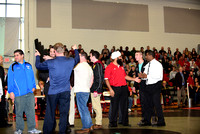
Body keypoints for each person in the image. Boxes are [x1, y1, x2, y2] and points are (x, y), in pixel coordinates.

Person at [35, 43, 79, 134]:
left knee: (50, 113)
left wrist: (37, 56)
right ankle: (62, 131)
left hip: (53, 92)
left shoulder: (51, 62)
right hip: (65, 92)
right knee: (64, 113)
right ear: (63, 51)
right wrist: (75, 49)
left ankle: (48, 131)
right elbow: (77, 59)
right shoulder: (70, 60)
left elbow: (38, 66)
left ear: (55, 52)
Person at [8, 50, 41, 134]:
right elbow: (10, 80)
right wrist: (11, 91)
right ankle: (19, 129)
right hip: (18, 94)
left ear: (22, 55)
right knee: (19, 113)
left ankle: (32, 128)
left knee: (31, 112)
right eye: (15, 55)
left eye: (17, 55)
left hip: (29, 93)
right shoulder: (12, 66)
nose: (16, 57)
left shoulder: (28, 65)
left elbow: (32, 77)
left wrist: (34, 86)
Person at [104, 51, 140, 127]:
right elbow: (106, 79)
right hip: (115, 88)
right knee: (114, 106)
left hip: (123, 88)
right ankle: (113, 122)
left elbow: (125, 76)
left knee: (124, 106)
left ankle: (124, 122)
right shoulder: (109, 67)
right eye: (120, 57)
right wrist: (110, 89)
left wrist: (134, 79)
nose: (121, 58)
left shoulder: (121, 66)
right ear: (116, 58)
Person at [138, 50, 166, 127]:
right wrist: (141, 76)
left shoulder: (158, 64)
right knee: (148, 104)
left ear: (150, 55)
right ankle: (147, 120)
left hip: (156, 85)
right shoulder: (148, 65)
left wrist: (145, 76)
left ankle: (161, 121)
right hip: (148, 85)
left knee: (156, 104)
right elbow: (145, 75)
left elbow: (158, 76)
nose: (145, 57)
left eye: (146, 56)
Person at [74, 52, 94, 133]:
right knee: (84, 108)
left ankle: (86, 127)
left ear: (82, 57)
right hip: (86, 90)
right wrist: (88, 86)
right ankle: (90, 125)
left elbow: (69, 68)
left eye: (78, 56)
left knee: (83, 109)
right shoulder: (89, 67)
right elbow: (92, 79)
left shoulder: (79, 66)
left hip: (81, 90)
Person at [89, 50, 104, 129]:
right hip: (94, 88)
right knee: (95, 106)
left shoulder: (98, 65)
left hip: (96, 89)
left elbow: (99, 78)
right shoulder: (95, 65)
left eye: (90, 56)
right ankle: (98, 122)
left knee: (96, 106)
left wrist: (96, 90)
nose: (90, 57)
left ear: (94, 57)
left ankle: (98, 123)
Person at [0, 55, 12, 128]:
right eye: (1, 59)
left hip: (1, 92)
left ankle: (3, 123)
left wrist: (6, 85)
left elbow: (2, 81)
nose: (2, 60)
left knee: (2, 108)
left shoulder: (1, 69)